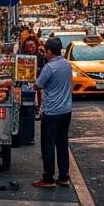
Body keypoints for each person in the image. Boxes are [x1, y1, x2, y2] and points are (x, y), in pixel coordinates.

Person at [33, 36, 72, 188]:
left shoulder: (49, 67)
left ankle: (48, 178)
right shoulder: (67, 65)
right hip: (66, 110)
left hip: (51, 112)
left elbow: (37, 85)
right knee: (62, 143)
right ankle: (64, 176)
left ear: (49, 51)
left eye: (46, 51)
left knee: (48, 144)